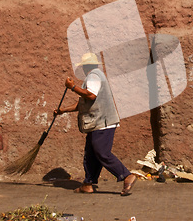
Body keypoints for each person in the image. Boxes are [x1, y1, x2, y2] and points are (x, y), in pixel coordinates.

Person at [54, 52, 137, 196]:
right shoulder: (94, 77)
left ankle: (126, 175)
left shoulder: (93, 76)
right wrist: (63, 110)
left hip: (102, 122)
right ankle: (88, 184)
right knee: (91, 154)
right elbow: (83, 103)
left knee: (102, 153)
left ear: (86, 66)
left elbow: (91, 95)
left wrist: (72, 87)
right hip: (98, 123)